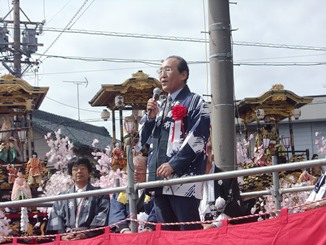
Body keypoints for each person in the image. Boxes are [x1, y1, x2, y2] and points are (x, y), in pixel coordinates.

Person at [141, 55, 211, 230]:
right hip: (158, 181)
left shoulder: (195, 102)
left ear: (183, 75)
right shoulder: (160, 106)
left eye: (168, 70)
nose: (162, 75)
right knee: (167, 235)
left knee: (189, 234)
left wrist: (173, 164)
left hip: (183, 181)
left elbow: (199, 138)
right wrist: (149, 118)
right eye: (161, 70)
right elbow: (141, 141)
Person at [46, 157, 110, 240]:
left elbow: (101, 216)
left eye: (83, 168)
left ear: (89, 172)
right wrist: (63, 236)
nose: (79, 171)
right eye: (75, 169)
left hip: (91, 239)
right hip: (67, 238)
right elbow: (56, 217)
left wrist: (87, 234)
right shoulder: (62, 196)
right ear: (71, 174)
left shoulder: (100, 194)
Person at [109, 151, 156, 233]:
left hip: (149, 232)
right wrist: (124, 229)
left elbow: (157, 211)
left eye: (140, 169)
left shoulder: (154, 191)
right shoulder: (120, 193)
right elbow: (116, 212)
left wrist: (149, 228)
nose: (136, 173)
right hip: (125, 234)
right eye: (133, 169)